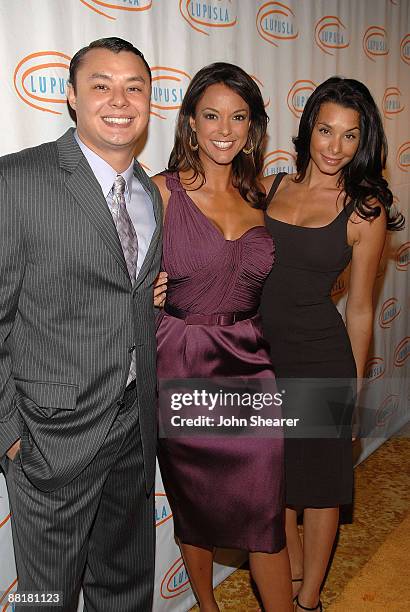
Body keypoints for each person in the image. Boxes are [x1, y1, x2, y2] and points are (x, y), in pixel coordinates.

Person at [0, 37, 162, 611]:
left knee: (123, 587)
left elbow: (125, 297)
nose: (119, 100)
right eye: (101, 85)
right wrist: (12, 435)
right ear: (71, 96)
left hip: (133, 431)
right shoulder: (17, 181)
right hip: (52, 439)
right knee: (48, 598)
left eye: (134, 87)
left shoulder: (149, 193)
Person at [260, 76, 404, 612]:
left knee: (319, 490)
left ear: (362, 141)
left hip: (321, 359)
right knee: (273, 481)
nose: (334, 147)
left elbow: (362, 306)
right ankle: (291, 573)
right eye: (325, 130)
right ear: (308, 129)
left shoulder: (365, 210)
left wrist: (354, 392)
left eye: (349, 136)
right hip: (259, 357)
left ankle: (309, 599)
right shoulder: (271, 187)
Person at [153, 62, 293, 612]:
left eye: (239, 117)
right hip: (182, 360)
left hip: (252, 363)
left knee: (265, 510)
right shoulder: (160, 193)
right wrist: (147, 294)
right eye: (211, 115)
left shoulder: (264, 196)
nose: (224, 129)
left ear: (254, 127)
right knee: (194, 499)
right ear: (189, 121)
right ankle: (206, 607)